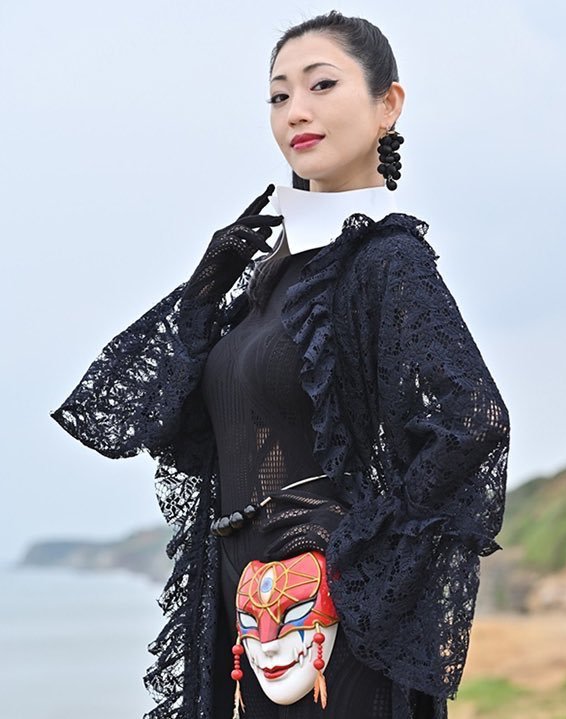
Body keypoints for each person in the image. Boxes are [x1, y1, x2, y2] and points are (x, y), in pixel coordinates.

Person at [51, 10, 510, 719]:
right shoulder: (264, 280)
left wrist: (353, 558)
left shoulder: (386, 260)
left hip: (328, 623)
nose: (296, 109)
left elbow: (473, 424)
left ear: (387, 104)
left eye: (322, 85)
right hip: (246, 619)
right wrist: (199, 301)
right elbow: (139, 421)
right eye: (278, 94)